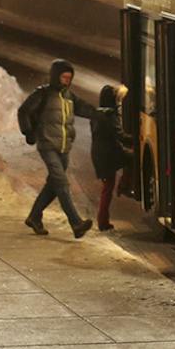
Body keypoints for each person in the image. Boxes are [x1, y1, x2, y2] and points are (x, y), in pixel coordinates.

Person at [21, 59, 89, 238]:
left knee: (53, 184)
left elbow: (83, 108)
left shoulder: (68, 96)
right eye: (63, 77)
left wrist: (101, 114)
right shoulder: (43, 93)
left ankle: (34, 217)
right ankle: (76, 223)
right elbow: (24, 111)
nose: (66, 81)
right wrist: (28, 132)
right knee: (62, 184)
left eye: (69, 78)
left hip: (64, 147)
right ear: (55, 76)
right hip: (47, 144)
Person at [88, 84, 135, 232]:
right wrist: (135, 139)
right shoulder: (110, 115)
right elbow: (120, 135)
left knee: (107, 187)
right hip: (110, 154)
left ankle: (104, 219)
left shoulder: (96, 114)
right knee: (108, 188)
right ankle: (103, 221)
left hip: (98, 154)